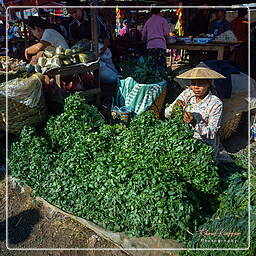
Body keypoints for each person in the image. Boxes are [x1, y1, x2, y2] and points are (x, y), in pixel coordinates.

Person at [165, 66, 225, 156]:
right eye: (193, 83)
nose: (196, 87)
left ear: (209, 84)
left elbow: (212, 132)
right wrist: (175, 108)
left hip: (204, 147)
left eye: (201, 84)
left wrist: (194, 123)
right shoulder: (187, 93)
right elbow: (166, 114)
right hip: (182, 140)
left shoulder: (215, 103)